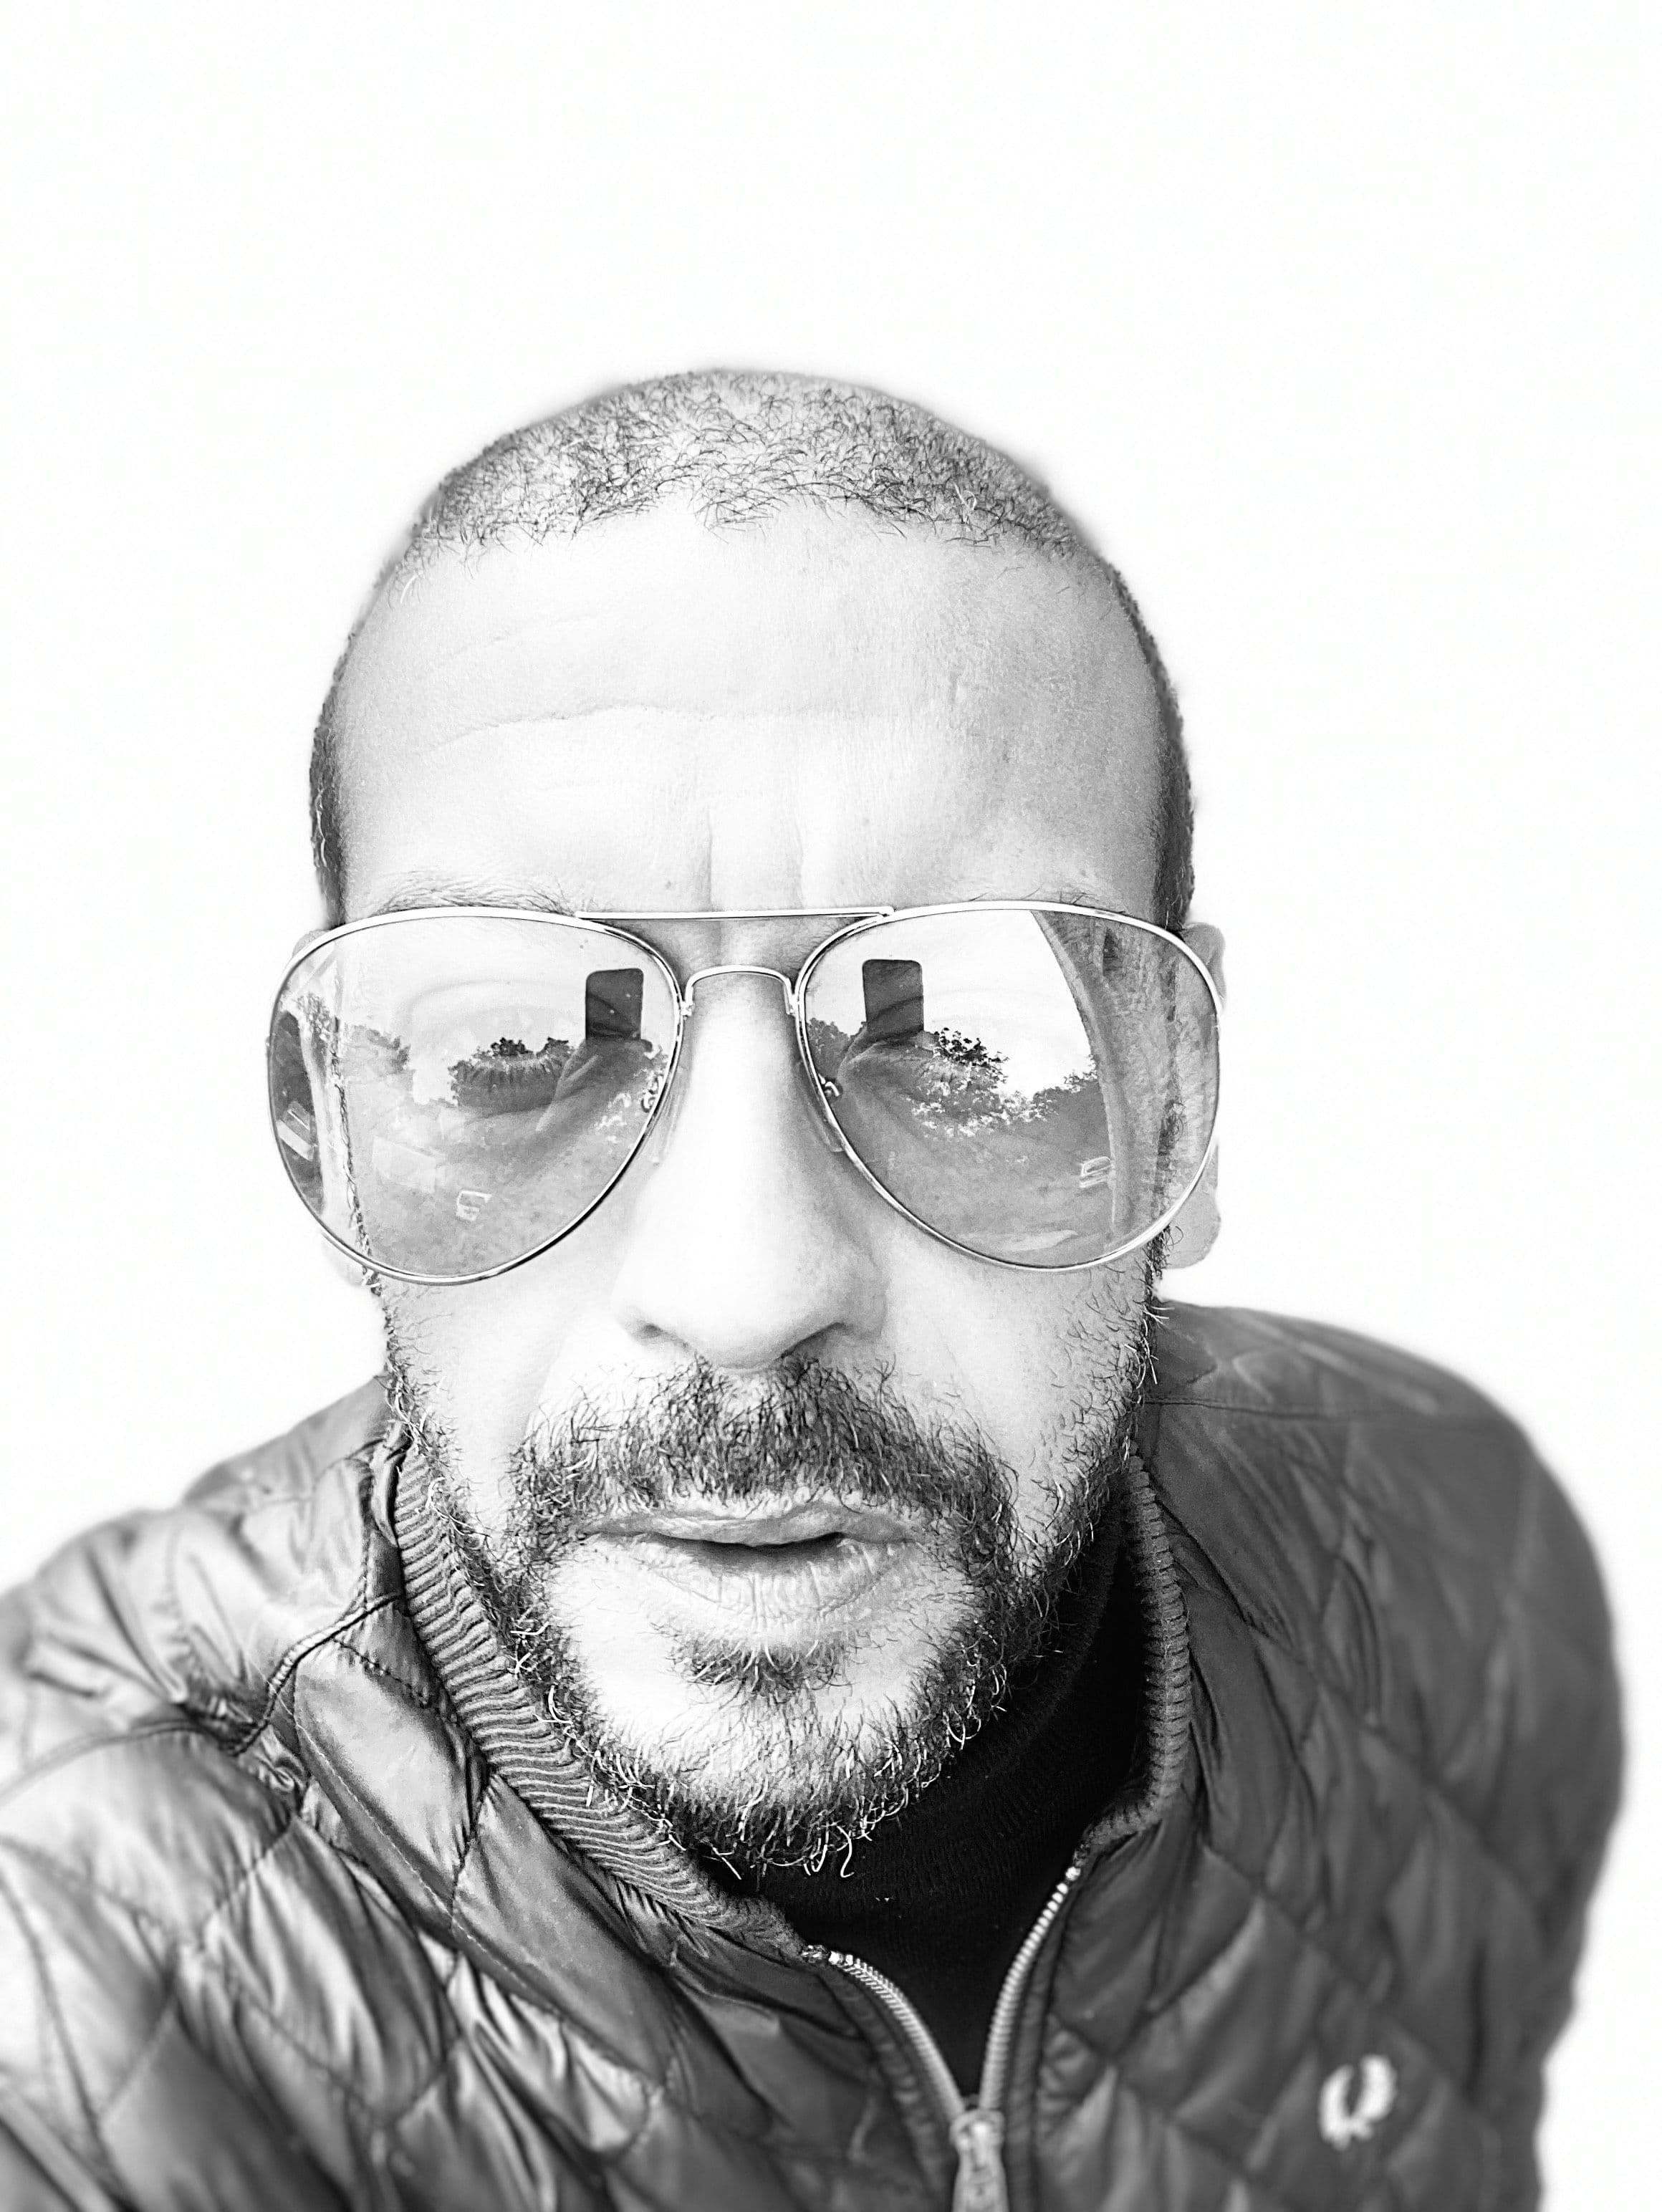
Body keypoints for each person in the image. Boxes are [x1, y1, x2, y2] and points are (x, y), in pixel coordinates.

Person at [0, 372, 1619, 2212]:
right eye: (513, 1043)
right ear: (339, 1128)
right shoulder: (68, 1968)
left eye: (965, 1039)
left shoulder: (1458, 1569)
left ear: (1176, 1100)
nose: (747, 1286)